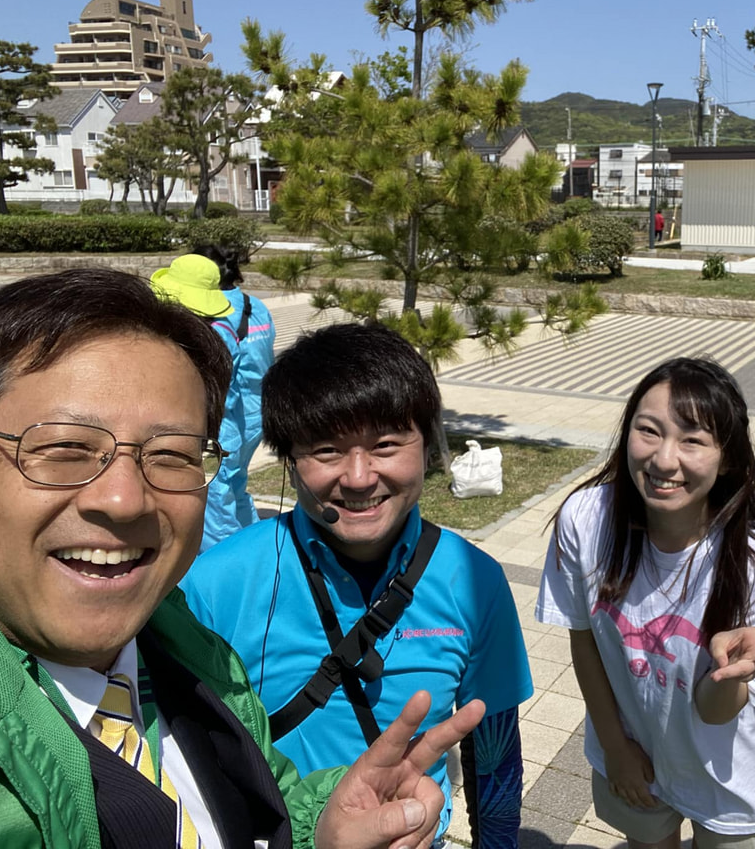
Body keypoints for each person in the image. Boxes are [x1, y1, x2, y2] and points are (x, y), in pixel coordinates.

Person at [0, 267, 484, 849]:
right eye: (65, 448)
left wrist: (320, 830)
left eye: (172, 455)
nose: (124, 500)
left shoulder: (184, 645)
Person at [181, 321, 533, 849]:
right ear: (288, 460)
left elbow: (494, 754)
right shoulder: (215, 583)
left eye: (387, 444)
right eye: (326, 450)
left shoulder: (474, 580)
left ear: (428, 447)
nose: (360, 476)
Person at [536, 357, 755, 849]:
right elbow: (584, 640)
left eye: (693, 440)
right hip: (632, 754)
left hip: (728, 778)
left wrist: (732, 672)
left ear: (727, 457)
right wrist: (615, 748)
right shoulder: (585, 518)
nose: (664, 459)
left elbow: (718, 712)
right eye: (649, 430)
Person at [149, 252, 252, 548]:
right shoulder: (220, 331)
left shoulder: (197, 343)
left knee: (216, 513)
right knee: (232, 497)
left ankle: (223, 574)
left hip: (205, 435)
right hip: (220, 429)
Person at [191, 243, 276, 546]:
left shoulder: (212, 319)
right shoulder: (256, 307)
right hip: (257, 415)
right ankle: (255, 545)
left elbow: (221, 383)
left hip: (229, 423)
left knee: (216, 500)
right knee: (236, 486)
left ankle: (226, 565)